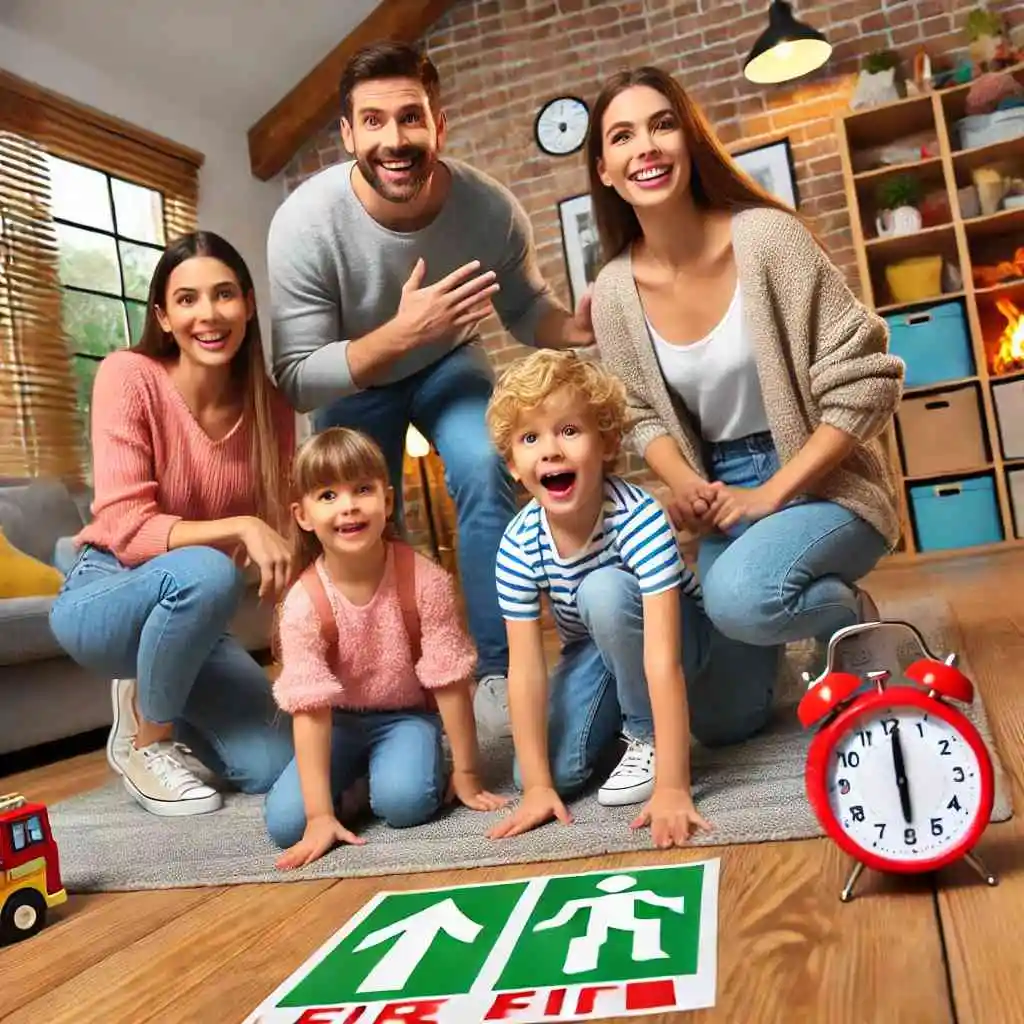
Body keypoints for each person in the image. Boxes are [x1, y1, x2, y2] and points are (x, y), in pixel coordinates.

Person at [266, 41, 595, 739]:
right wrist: (398, 334)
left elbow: (526, 309)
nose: (395, 140)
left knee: (482, 466)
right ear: (349, 135)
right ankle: (398, 681)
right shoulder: (303, 224)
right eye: (374, 122)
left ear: (438, 125)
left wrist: (573, 326)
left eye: (410, 118)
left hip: (450, 364)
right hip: (355, 377)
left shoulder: (491, 211)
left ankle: (498, 674)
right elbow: (297, 377)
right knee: (359, 515)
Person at [586, 66, 904, 685]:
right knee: (726, 719)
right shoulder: (614, 292)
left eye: (662, 125)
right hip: (722, 492)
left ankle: (850, 615)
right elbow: (639, 414)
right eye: (622, 136)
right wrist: (686, 487)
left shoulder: (768, 240)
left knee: (738, 599)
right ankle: (796, 623)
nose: (645, 147)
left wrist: (773, 492)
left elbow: (869, 379)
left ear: (690, 140)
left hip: (824, 481)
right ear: (604, 168)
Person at [484, 350, 780, 850]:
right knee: (543, 771)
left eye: (569, 431)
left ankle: (646, 728)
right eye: (531, 438)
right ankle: (622, 719)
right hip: (598, 649)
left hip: (686, 643)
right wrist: (537, 787)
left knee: (604, 591)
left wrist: (671, 785)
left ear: (607, 444)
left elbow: (663, 660)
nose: (550, 451)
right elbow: (526, 670)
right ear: (514, 465)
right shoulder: (517, 544)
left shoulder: (638, 517)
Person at [48, 231, 297, 817]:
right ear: (162, 314)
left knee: (278, 764)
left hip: (195, 615)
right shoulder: (128, 376)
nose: (208, 314)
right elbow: (130, 528)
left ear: (248, 304)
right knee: (209, 572)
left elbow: (286, 538)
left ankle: (158, 680)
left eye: (224, 294)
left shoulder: (271, 405)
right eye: (186, 299)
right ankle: (145, 740)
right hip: (105, 588)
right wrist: (241, 526)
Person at [264, 427, 507, 868]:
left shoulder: (425, 580)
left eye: (362, 490)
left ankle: (392, 769)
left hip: (405, 716)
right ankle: (353, 784)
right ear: (303, 515)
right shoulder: (303, 603)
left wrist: (468, 774)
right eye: (328, 496)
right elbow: (310, 708)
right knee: (287, 824)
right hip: (337, 723)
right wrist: (319, 815)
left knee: (406, 804)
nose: (349, 506)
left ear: (388, 501)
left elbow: (451, 682)